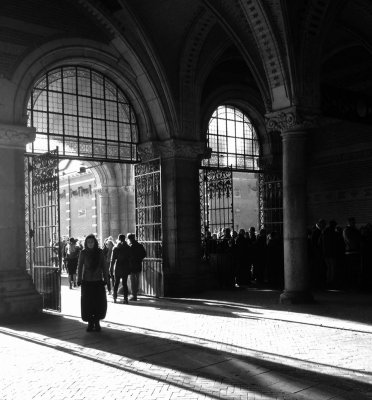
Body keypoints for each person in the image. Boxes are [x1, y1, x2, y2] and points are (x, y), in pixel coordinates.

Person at [77, 234, 109, 332]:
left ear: (95, 242)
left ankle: (97, 322)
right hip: (87, 282)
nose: (90, 244)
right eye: (88, 242)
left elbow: (104, 266)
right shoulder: (83, 253)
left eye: (92, 242)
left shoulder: (100, 252)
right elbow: (80, 266)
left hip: (98, 281)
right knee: (88, 303)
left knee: (98, 303)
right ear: (86, 243)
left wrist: (106, 279)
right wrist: (79, 279)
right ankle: (90, 323)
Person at [110, 234, 131, 304]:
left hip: (118, 266)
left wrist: (111, 268)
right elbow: (130, 258)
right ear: (125, 239)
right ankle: (125, 299)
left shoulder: (115, 248)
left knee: (116, 283)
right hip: (125, 266)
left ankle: (115, 298)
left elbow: (112, 259)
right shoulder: (128, 247)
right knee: (124, 283)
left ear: (118, 239)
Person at [127, 233, 146, 301]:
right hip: (138, 265)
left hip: (132, 265)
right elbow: (144, 254)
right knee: (137, 280)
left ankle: (134, 295)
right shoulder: (140, 245)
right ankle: (135, 293)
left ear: (129, 239)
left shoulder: (130, 246)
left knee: (133, 281)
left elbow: (128, 256)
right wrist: (139, 259)